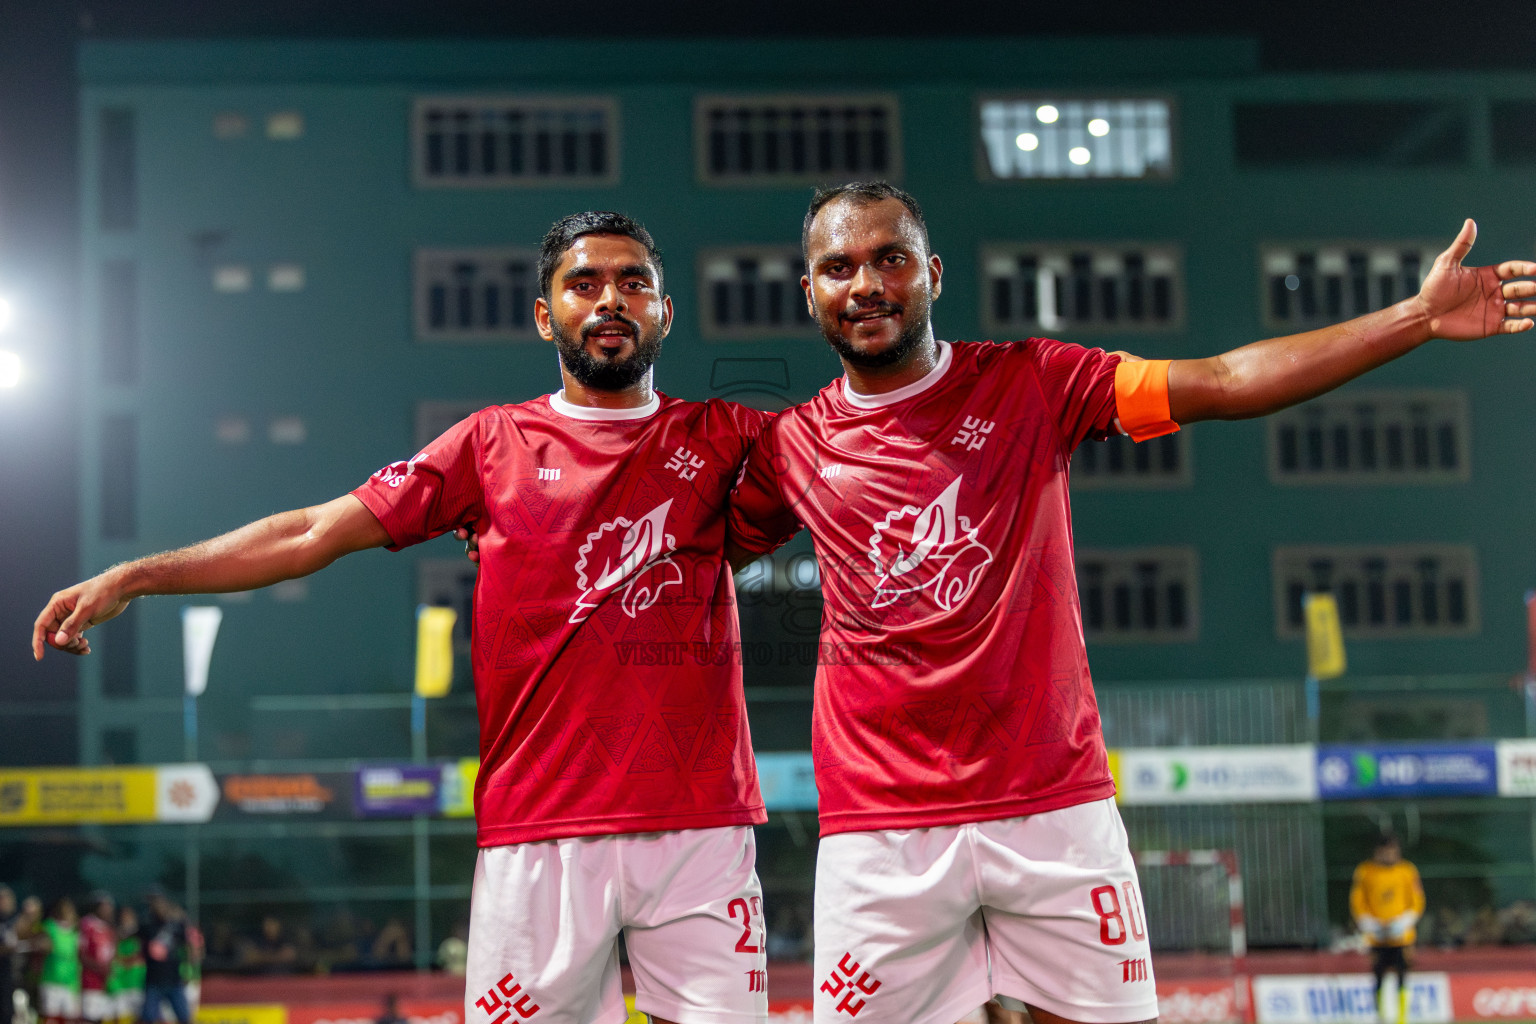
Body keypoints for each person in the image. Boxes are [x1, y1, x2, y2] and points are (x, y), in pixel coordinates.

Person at [725, 180, 1535, 1024]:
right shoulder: (792, 448)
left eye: (889, 259)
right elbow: (673, 553)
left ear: (931, 272)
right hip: (880, 833)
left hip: (1054, 808)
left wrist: (1414, 318)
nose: (865, 285)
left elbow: (1223, 380)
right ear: (810, 292)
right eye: (838, 266)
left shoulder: (1031, 382)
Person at [34, 211, 777, 1024]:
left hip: (701, 825)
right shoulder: (492, 445)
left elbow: (869, 461)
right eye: (583, 283)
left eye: (633, 282)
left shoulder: (730, 438)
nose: (609, 300)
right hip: (538, 829)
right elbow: (311, 532)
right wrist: (137, 576)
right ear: (545, 315)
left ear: (665, 312)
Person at [1351, 835, 1424, 1024]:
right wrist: (1368, 922)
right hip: (1377, 936)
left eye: (1394, 851)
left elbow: (1417, 900)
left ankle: (1402, 1019)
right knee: (1378, 975)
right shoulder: (1365, 871)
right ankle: (1381, 1016)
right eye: (1387, 852)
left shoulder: (1407, 870)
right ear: (1378, 852)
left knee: (1402, 974)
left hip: (1401, 936)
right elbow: (1357, 901)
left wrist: (1405, 921)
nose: (1391, 855)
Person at [36, 898, 81, 1024]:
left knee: (70, 1019)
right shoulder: (49, 927)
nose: (68, 912)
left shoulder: (75, 931)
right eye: (65, 908)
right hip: (52, 981)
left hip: (70, 982)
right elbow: (41, 944)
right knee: (51, 1019)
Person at [78, 894, 116, 1024]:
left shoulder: (108, 928)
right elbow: (80, 954)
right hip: (90, 981)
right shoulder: (87, 925)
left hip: (105, 984)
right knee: (90, 1018)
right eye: (106, 907)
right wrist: (99, 968)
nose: (109, 910)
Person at [108, 906, 144, 1024]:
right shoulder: (113, 935)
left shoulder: (141, 934)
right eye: (123, 917)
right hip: (120, 984)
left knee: (139, 1017)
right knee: (117, 1017)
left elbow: (139, 957)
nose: (126, 919)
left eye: (128, 917)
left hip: (137, 983)